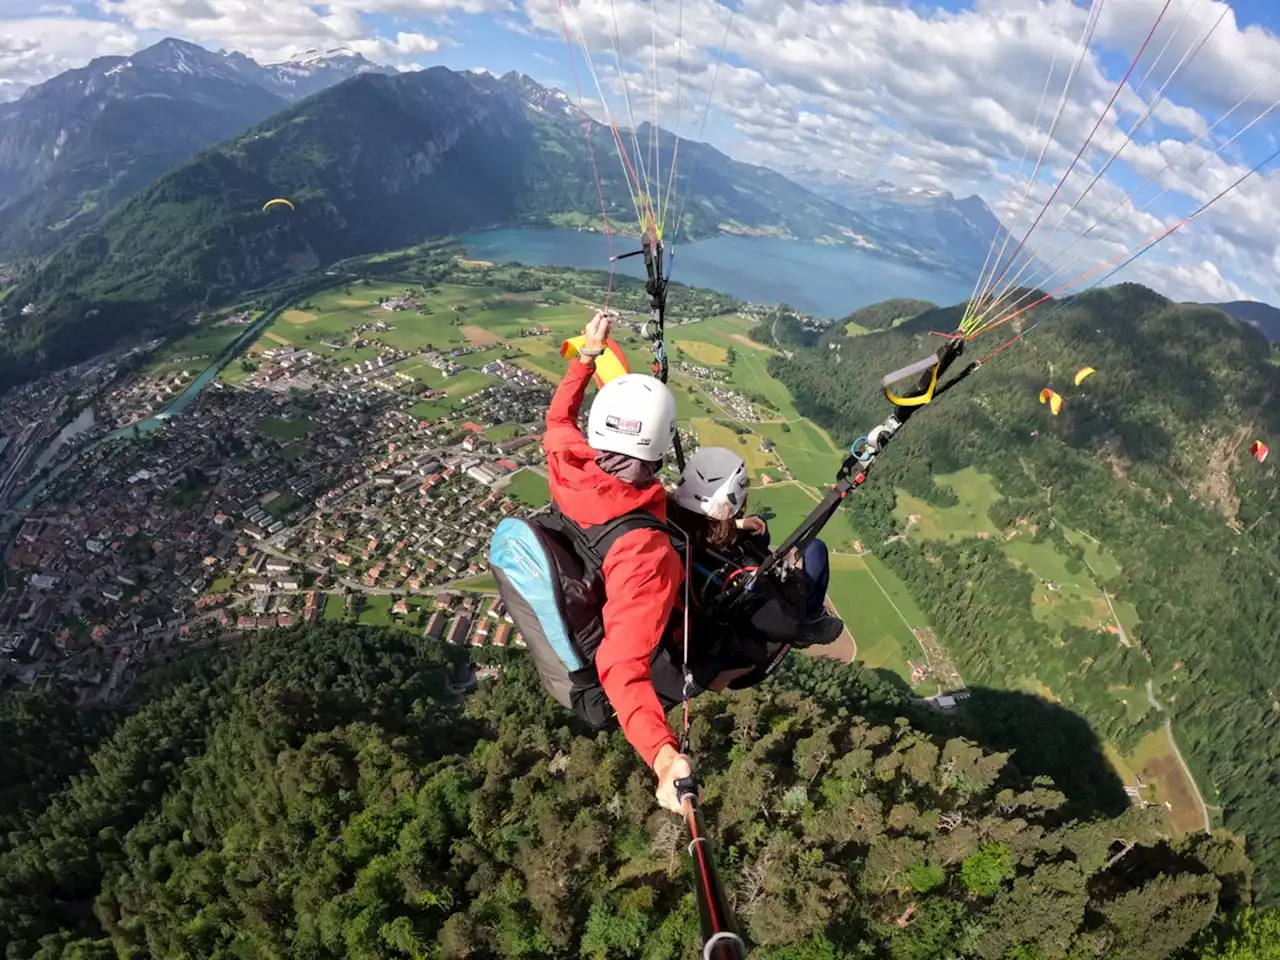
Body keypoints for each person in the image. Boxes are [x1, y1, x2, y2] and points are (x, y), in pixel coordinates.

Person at [543, 309, 693, 814]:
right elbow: (622, 666)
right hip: (624, 609)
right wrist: (662, 755)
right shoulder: (643, 552)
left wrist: (587, 355)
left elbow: (558, 421)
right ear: (658, 448)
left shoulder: (569, 461)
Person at [667, 446, 844, 689]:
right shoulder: (727, 567)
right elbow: (784, 624)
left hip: (699, 608)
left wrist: (737, 525)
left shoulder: (670, 522)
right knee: (814, 551)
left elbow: (703, 532)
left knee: (759, 535)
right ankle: (812, 624)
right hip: (732, 645)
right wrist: (794, 585)